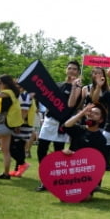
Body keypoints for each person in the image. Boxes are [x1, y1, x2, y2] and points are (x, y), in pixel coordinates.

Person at [36, 60, 82, 191]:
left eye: (74, 69)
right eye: (70, 68)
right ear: (66, 70)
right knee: (41, 149)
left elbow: (71, 104)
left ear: (78, 72)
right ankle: (44, 178)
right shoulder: (57, 85)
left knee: (58, 152)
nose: (72, 71)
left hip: (62, 123)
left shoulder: (78, 87)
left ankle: (56, 179)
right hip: (49, 120)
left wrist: (74, 86)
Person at [9, 86, 36, 177]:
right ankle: (18, 170)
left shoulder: (24, 95)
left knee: (14, 147)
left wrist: (18, 124)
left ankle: (23, 164)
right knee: (19, 148)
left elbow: (24, 111)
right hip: (24, 123)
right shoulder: (24, 95)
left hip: (23, 124)